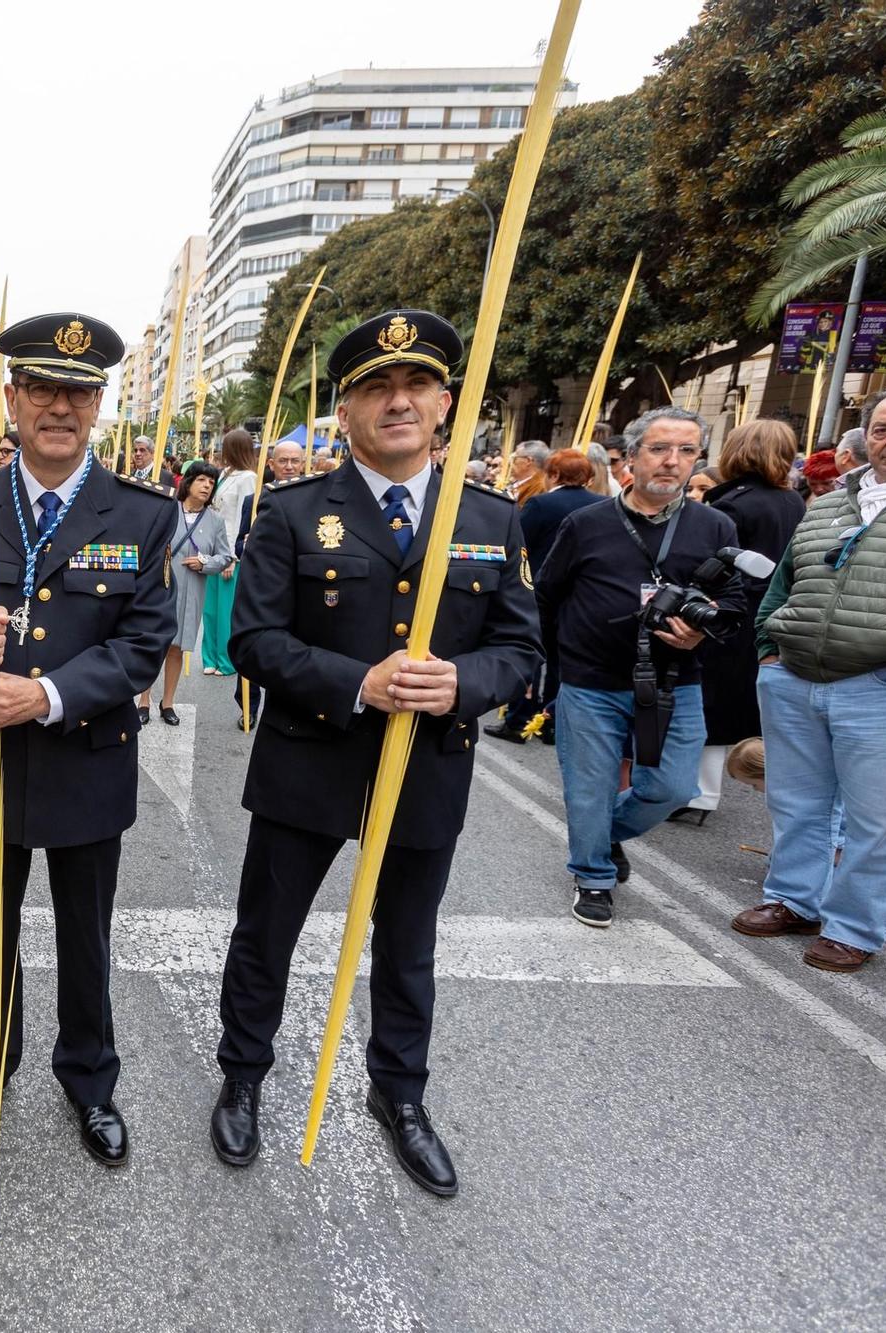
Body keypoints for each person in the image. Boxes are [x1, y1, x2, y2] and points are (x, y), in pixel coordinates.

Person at [212, 308, 540, 1197]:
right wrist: (362, 680)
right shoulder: (289, 512)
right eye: (374, 389)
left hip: (428, 768)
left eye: (415, 386)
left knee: (407, 946)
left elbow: (520, 650)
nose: (397, 401)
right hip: (308, 760)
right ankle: (243, 1072)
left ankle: (400, 1095)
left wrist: (461, 684)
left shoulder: (491, 518)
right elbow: (253, 642)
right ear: (345, 413)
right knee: (266, 935)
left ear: (442, 404)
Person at [0, 312, 176, 1168]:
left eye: (78, 392)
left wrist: (48, 695)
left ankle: (90, 1081)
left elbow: (141, 644)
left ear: (98, 405)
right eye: (42, 389)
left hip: (87, 762)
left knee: (84, 936)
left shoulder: (139, 515)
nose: (59, 407)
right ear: (14, 398)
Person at [731, 382, 886, 973]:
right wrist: (769, 648)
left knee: (879, 821)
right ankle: (794, 899)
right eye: (882, 429)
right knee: (798, 805)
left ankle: (855, 928)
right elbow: (783, 584)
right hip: (795, 678)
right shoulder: (829, 503)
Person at [532, 406, 744, 928]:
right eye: (658, 449)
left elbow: (736, 602)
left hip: (677, 682)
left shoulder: (716, 524)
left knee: (671, 788)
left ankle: (602, 836)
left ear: (698, 458)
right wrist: (556, 668)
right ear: (631, 457)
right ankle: (593, 875)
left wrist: (703, 627)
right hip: (592, 682)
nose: (672, 462)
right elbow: (547, 595)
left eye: (686, 451)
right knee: (589, 788)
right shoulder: (585, 524)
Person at [683, 420, 806, 819]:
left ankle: (699, 792)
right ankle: (712, 789)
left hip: (730, 613)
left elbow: (713, 564)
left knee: (709, 701)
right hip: (771, 615)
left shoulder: (733, 504)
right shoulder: (792, 501)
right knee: (737, 702)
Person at [488, 448, 604, 744]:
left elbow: (518, 543)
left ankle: (518, 719)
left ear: (552, 474)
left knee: (530, 654)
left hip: (541, 590)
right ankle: (551, 722)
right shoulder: (603, 505)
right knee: (560, 662)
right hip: (580, 595)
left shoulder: (541, 504)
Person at [138, 461, 232, 725]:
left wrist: (205, 563)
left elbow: (225, 556)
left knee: (177, 648)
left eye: (211, 483)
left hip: (192, 590)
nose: (206, 486)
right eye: (202, 480)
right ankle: (143, 699)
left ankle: (168, 702)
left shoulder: (215, 521)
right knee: (155, 644)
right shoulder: (167, 510)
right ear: (188, 482)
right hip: (161, 587)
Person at [201, 428, 256, 677]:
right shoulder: (224, 474)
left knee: (226, 611)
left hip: (231, 554)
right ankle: (209, 657)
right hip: (213, 550)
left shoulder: (248, 478)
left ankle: (225, 660)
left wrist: (234, 557)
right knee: (210, 610)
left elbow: (243, 519)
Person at [507, 440, 550, 506]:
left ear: (528, 461)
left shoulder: (540, 488)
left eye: (514, 458)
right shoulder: (518, 483)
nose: (510, 463)